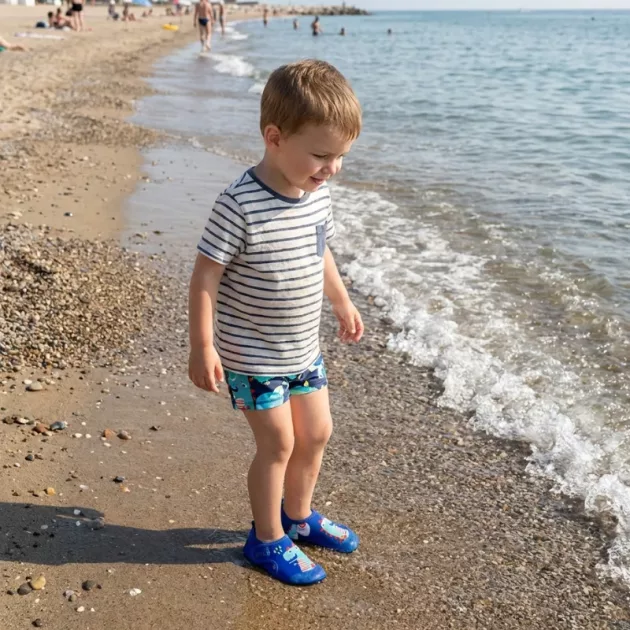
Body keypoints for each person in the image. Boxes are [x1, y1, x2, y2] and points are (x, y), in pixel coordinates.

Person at [188, 59, 363, 586]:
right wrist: (202, 346)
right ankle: (265, 539)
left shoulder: (316, 193)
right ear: (275, 138)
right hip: (252, 355)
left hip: (302, 349)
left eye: (341, 157)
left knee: (317, 433)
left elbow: (320, 251)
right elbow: (205, 275)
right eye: (321, 155)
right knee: (278, 445)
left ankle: (298, 516)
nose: (331, 168)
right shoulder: (238, 204)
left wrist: (341, 299)